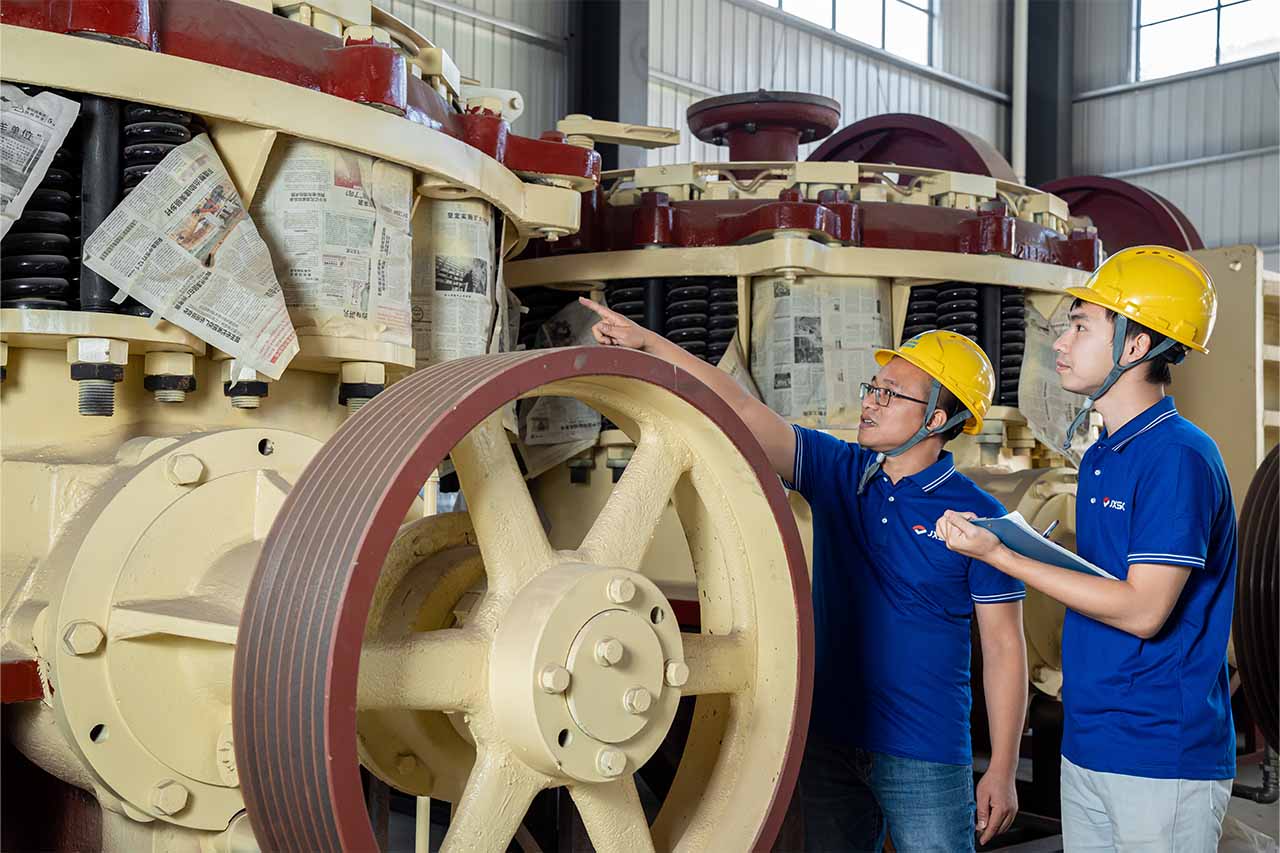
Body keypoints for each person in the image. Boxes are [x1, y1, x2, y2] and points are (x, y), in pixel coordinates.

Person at [579, 297, 1028, 852]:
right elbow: (741, 410)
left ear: (937, 420)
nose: (871, 403)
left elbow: (1005, 646)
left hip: (924, 749)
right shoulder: (839, 471)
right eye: (873, 388)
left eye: (892, 394)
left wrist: (1002, 767)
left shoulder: (983, 515)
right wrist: (653, 344)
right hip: (829, 736)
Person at [936, 246, 1235, 851]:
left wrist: (1005, 558)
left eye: (1080, 327)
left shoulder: (1176, 457)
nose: (1061, 345)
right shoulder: (1103, 452)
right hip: (1090, 740)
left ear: (1133, 347)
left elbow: (1143, 611)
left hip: (1160, 754)